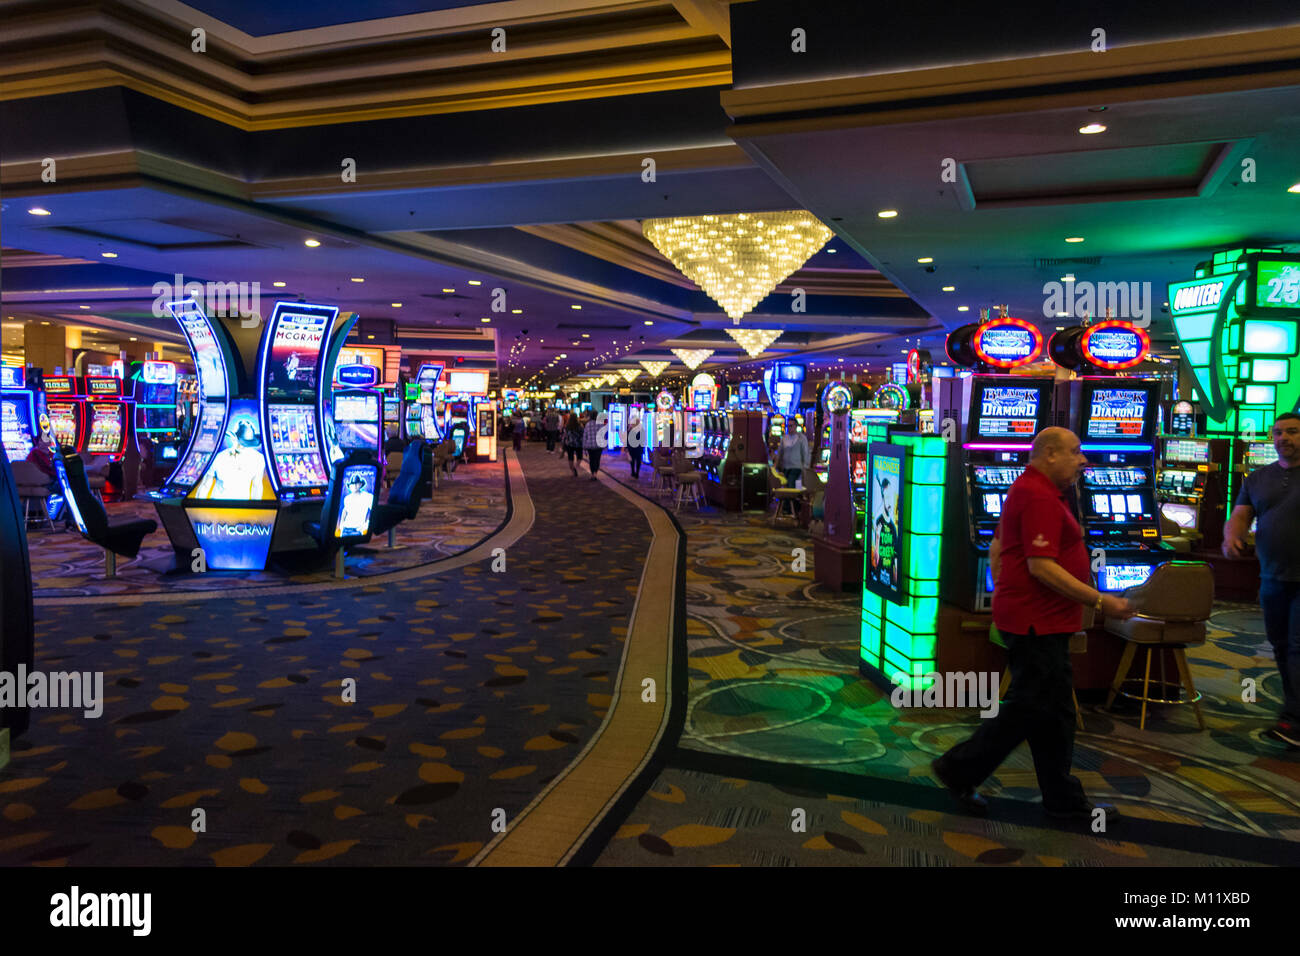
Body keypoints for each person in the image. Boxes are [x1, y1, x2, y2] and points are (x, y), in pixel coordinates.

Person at [932, 427, 1134, 822]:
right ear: (1050, 454)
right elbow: (1041, 567)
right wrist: (1099, 600)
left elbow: (997, 546)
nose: (1083, 459)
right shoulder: (1038, 494)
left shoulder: (1036, 491)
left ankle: (1061, 797)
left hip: (1039, 619)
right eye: (1075, 452)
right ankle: (958, 768)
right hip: (1035, 622)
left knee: (1052, 712)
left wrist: (1007, 589)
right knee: (1030, 707)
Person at [1223, 412, 1300, 747]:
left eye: (1293, 432)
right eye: (1279, 432)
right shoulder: (1258, 478)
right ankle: (1292, 710)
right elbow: (1239, 516)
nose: (1284, 438)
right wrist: (1231, 538)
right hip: (1272, 575)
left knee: (1298, 647)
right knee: (1281, 646)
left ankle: (1295, 721)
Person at [776, 418, 810, 489]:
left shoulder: (802, 438)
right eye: (787, 426)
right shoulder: (784, 438)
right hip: (785, 467)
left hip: (796, 467)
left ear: (796, 426)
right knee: (786, 485)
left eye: (790, 425)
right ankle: (792, 500)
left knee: (791, 485)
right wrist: (776, 465)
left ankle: (789, 500)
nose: (789, 427)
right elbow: (780, 453)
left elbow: (805, 453)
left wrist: (806, 467)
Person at [582, 410, 605, 481]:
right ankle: (595, 473)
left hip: (590, 445)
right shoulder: (600, 424)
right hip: (598, 445)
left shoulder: (588, 424)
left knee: (591, 460)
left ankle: (592, 474)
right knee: (597, 460)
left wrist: (584, 446)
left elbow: (585, 436)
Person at [563, 411, 584, 476]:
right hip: (578, 443)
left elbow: (565, 435)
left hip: (570, 443)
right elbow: (582, 434)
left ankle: (572, 470)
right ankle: (576, 466)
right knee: (579, 456)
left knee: (570, 457)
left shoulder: (567, 426)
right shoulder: (580, 425)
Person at [626, 413, 644, 479]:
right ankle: (637, 473)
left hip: (632, 447)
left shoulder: (630, 429)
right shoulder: (640, 428)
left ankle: (633, 471)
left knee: (632, 460)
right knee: (638, 460)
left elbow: (628, 439)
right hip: (639, 447)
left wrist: (627, 447)